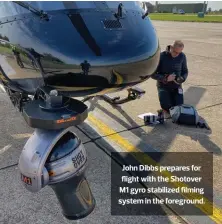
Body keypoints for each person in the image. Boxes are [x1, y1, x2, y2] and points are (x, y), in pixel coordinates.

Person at [151, 40, 188, 118]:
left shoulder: (182, 56)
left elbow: (185, 71)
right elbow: (152, 74)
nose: (176, 55)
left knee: (179, 107)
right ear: (171, 47)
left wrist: (182, 78)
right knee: (167, 108)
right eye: (175, 52)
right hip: (163, 86)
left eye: (179, 53)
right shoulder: (161, 56)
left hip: (176, 86)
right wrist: (165, 78)